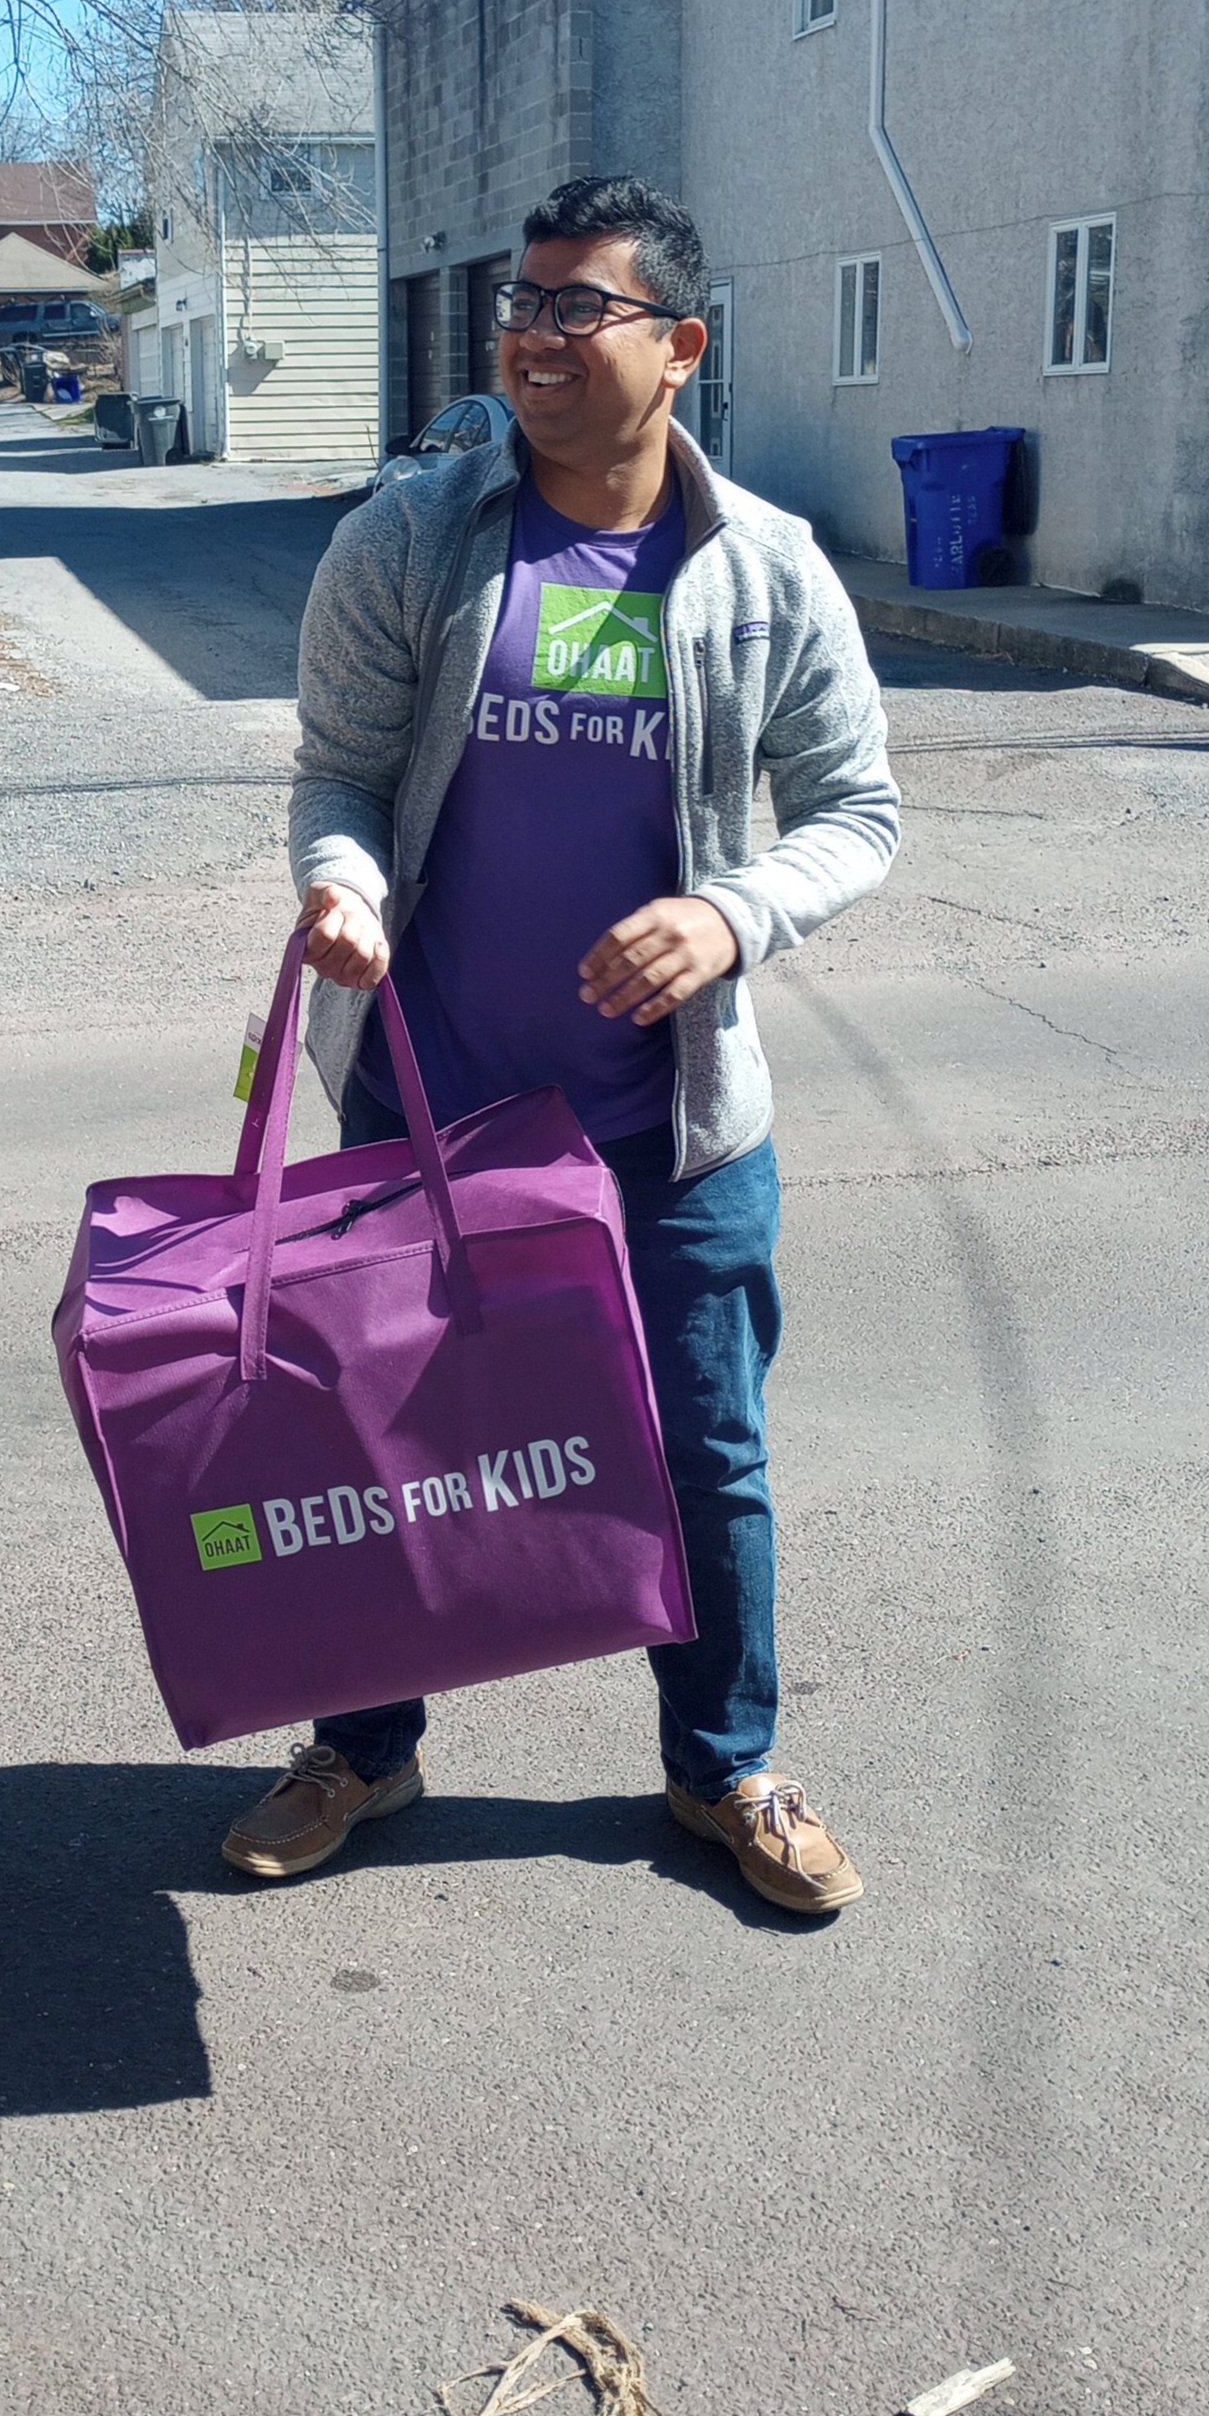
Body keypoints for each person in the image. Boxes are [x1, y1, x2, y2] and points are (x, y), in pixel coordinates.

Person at [220, 174, 900, 1915]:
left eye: (577, 306)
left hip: (667, 1127)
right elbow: (341, 771)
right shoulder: (411, 540)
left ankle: (724, 1767)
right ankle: (361, 1747)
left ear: (681, 345)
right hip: (429, 1106)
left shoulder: (765, 569)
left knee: (706, 1457)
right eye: (520, 304)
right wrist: (343, 886)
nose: (531, 334)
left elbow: (855, 810)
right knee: (377, 1436)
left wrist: (734, 914)